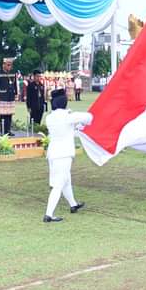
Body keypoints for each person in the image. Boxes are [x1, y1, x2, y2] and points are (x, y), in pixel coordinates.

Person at [43, 89, 91, 223]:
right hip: (63, 154)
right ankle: (49, 214)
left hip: (53, 154)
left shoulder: (50, 117)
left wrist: (76, 126)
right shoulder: (68, 116)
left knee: (66, 181)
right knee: (59, 184)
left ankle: (73, 205)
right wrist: (73, 116)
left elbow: (65, 131)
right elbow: (89, 117)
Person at [0, 58, 18, 135]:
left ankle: (8, 130)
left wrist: (16, 93)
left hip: (10, 96)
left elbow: (15, 84)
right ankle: (3, 131)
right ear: (3, 65)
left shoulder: (13, 73)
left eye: (10, 65)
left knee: (9, 114)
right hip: (2, 96)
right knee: (3, 114)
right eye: (8, 65)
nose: (9, 66)